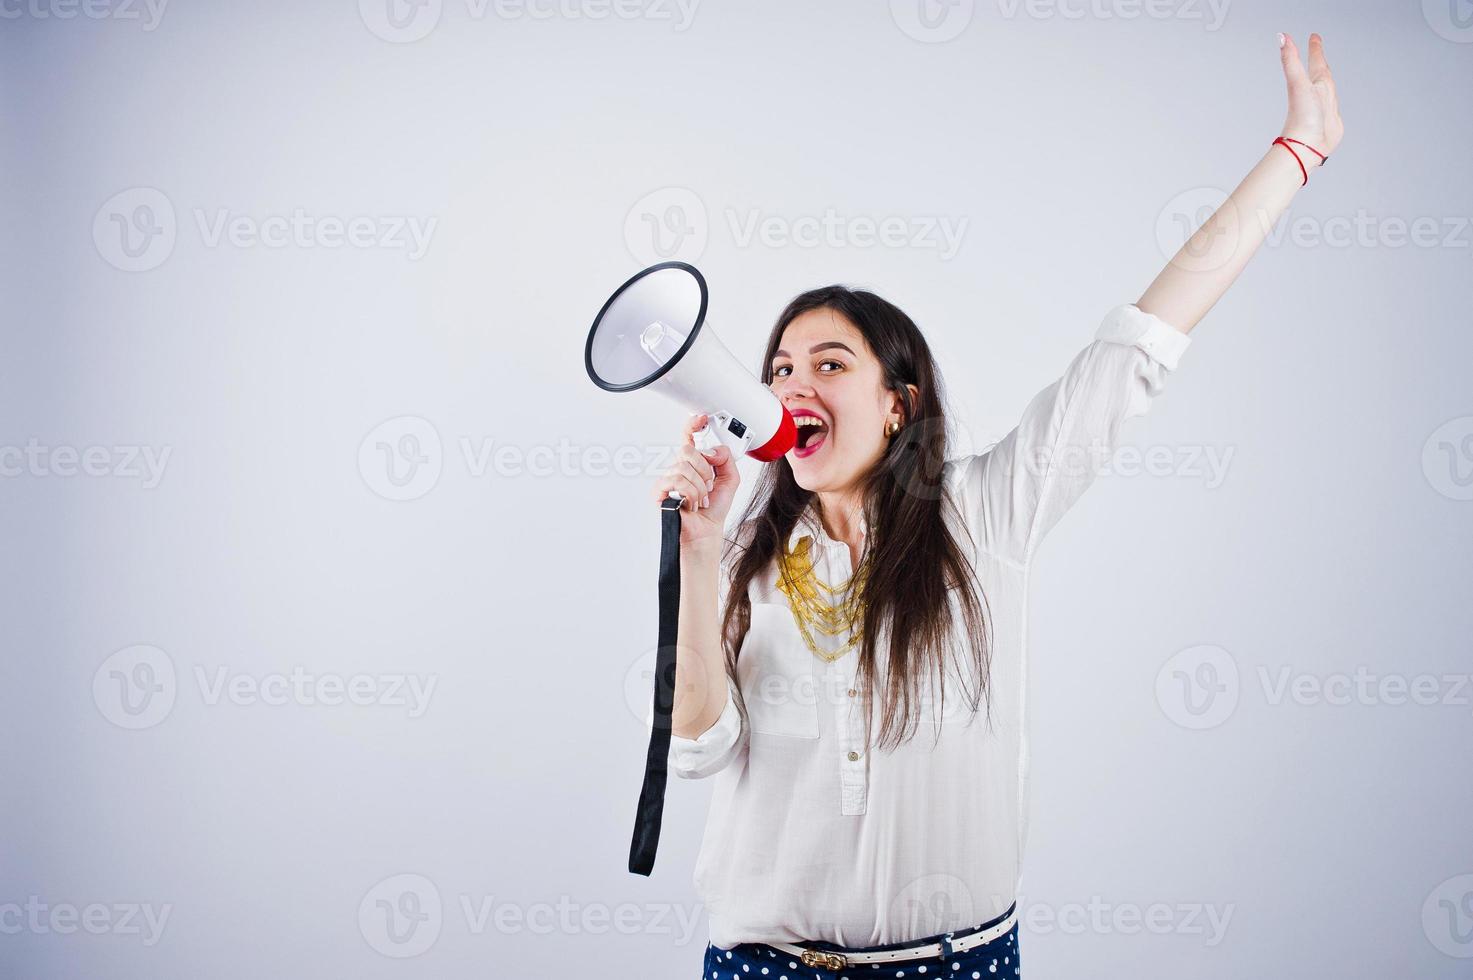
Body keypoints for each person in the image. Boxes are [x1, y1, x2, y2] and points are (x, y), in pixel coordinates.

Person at [649, 32, 1343, 979]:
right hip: (762, 963)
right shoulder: (740, 562)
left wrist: (1295, 153)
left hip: (954, 963)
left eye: (828, 365)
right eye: (776, 370)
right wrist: (695, 550)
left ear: (900, 404)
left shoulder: (983, 515)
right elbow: (697, 751)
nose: (789, 386)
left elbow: (1135, 345)